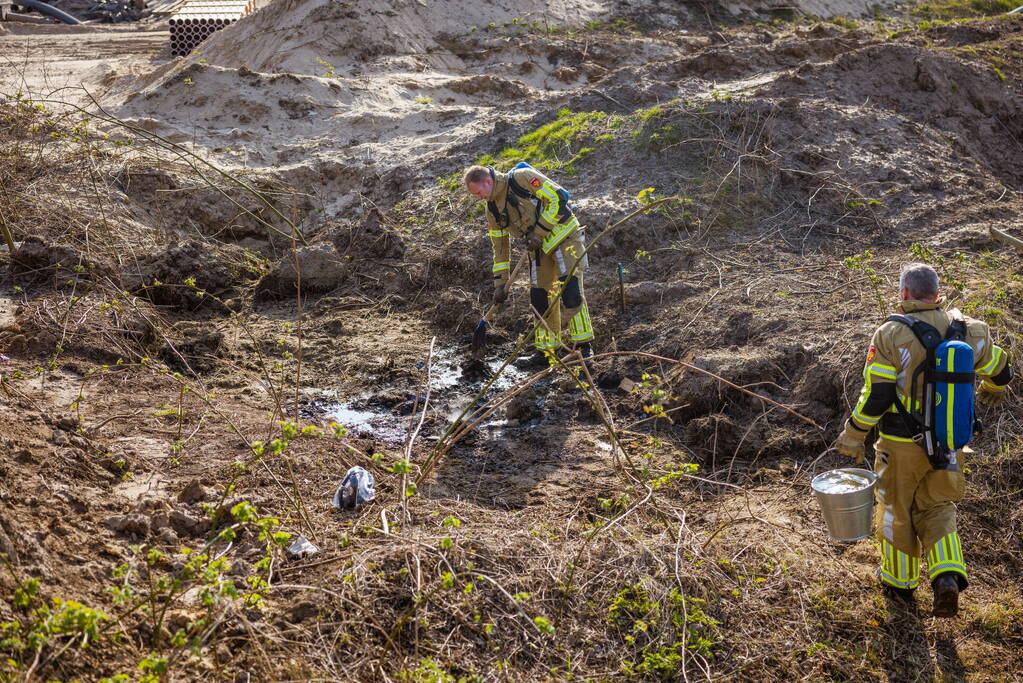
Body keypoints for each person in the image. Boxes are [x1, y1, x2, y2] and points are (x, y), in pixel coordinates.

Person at [836, 262, 1012, 617]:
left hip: (900, 445)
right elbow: (1002, 370)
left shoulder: (890, 334)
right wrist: (992, 388)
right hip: (950, 444)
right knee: (938, 507)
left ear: (904, 294)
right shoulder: (972, 331)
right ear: (938, 293)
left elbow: (878, 396)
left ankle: (899, 585)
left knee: (895, 511)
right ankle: (946, 574)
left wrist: (853, 435)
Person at [463, 164, 593, 366]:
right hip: (538, 250)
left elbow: (558, 198)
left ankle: (583, 348)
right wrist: (501, 284)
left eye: (479, 192)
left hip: (565, 237)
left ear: (488, 181)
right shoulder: (492, 210)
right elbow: (500, 249)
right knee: (540, 297)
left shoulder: (522, 178)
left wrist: (539, 232)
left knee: (570, 291)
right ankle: (547, 352)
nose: (479, 198)